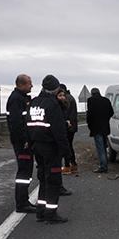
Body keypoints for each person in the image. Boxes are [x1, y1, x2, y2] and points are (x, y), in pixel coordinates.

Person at [28, 74, 70, 223]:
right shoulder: (53, 105)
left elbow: (28, 125)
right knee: (53, 181)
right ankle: (51, 214)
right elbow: (59, 131)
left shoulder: (34, 103)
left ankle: (41, 211)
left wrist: (31, 143)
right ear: (56, 88)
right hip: (51, 148)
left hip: (37, 146)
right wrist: (66, 152)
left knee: (43, 179)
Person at [6, 73, 36, 213]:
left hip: (25, 141)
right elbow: (16, 123)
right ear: (22, 84)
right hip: (22, 143)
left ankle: (24, 200)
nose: (32, 85)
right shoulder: (16, 100)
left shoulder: (22, 98)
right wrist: (24, 140)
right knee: (24, 172)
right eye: (29, 83)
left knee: (27, 171)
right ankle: (21, 203)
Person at [86, 87, 113, 173]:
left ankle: (103, 166)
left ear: (92, 93)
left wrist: (90, 125)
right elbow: (111, 112)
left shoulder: (91, 101)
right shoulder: (106, 100)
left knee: (100, 147)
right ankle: (105, 163)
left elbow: (89, 115)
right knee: (104, 146)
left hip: (96, 128)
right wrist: (105, 119)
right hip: (105, 127)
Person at [54, 89, 73, 197]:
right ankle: (57, 188)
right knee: (55, 166)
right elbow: (57, 125)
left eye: (63, 95)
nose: (62, 97)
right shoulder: (55, 108)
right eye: (60, 95)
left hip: (60, 138)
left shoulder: (63, 107)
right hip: (55, 141)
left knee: (57, 165)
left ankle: (58, 186)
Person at [59, 84, 78, 175]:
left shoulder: (65, 99)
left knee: (67, 146)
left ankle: (67, 166)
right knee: (69, 146)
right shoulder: (71, 98)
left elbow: (65, 113)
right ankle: (73, 165)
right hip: (72, 126)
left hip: (68, 126)